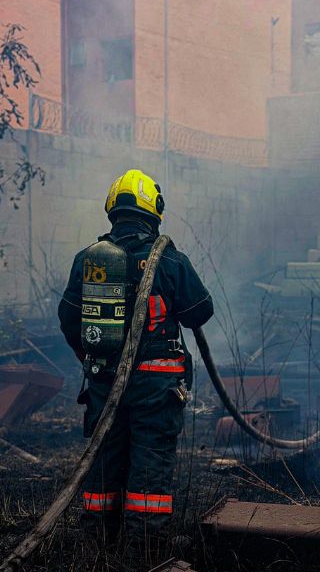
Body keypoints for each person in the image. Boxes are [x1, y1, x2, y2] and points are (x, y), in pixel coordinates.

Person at [57, 169, 213, 547]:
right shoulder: (171, 261)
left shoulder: (88, 259)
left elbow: (68, 319)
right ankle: (143, 549)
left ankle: (97, 545)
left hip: (103, 382)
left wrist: (91, 360)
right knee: (150, 460)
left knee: (104, 460)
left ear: (112, 208)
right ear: (154, 210)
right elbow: (200, 312)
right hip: (156, 387)